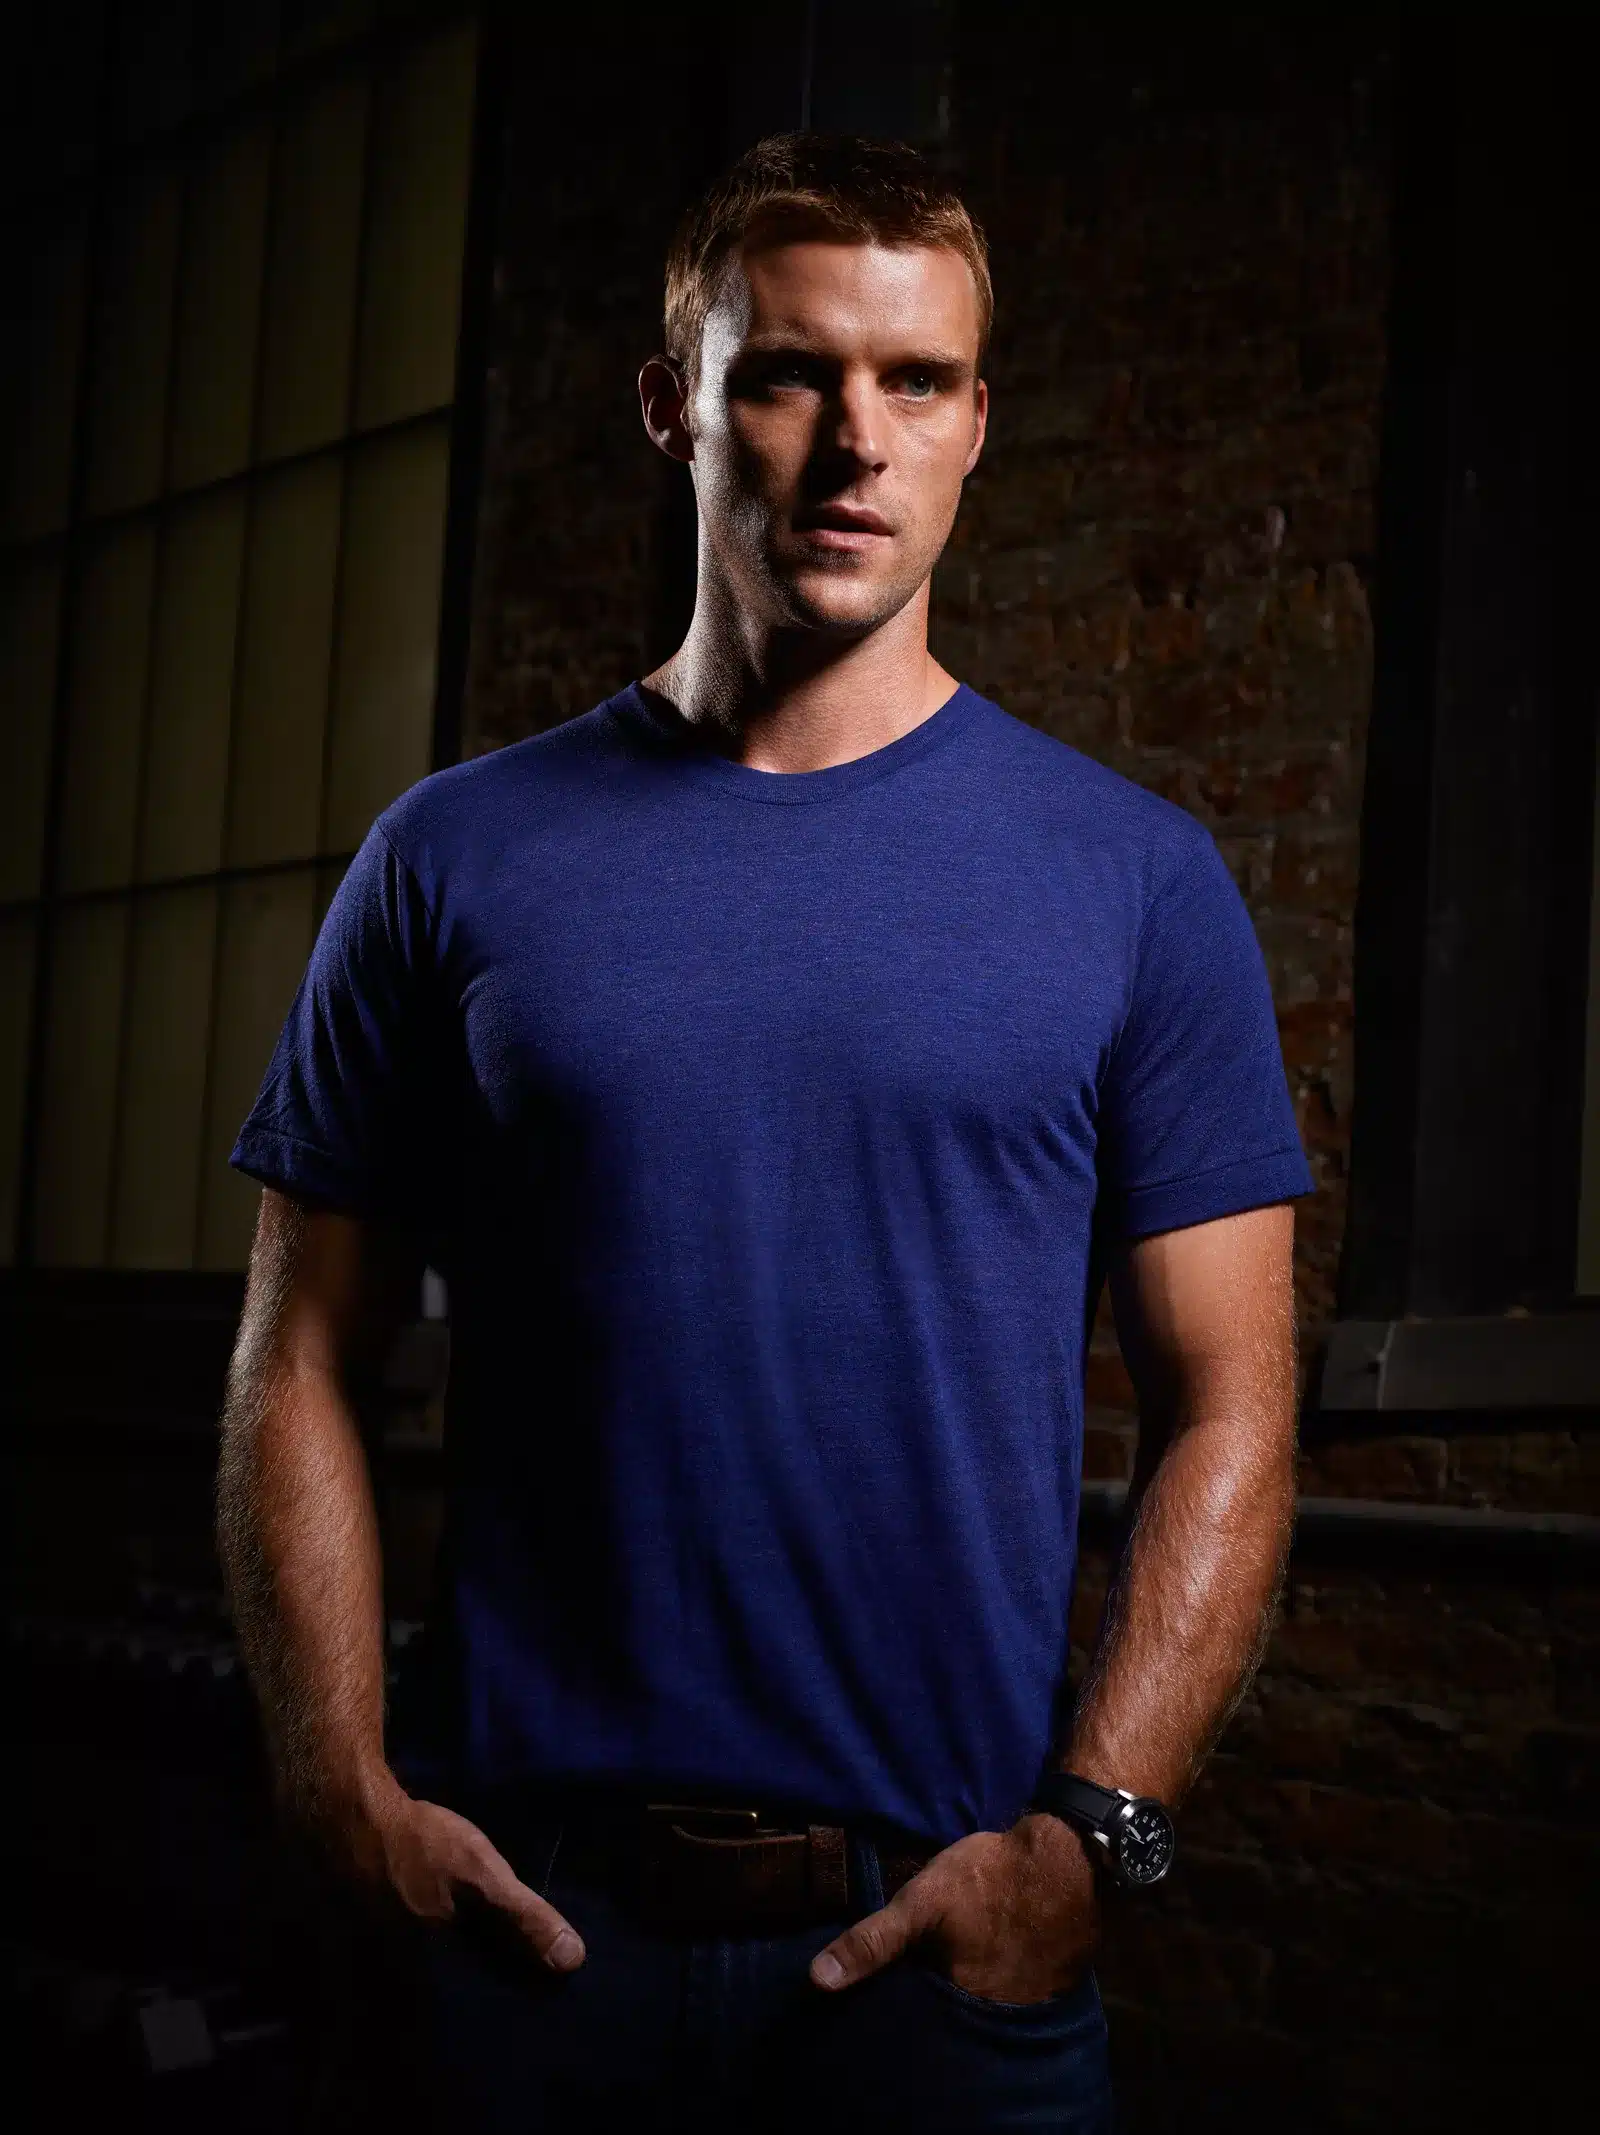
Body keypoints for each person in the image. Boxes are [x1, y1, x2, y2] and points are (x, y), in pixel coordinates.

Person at [217, 132, 1310, 2132]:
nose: (855, 443)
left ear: (976, 425)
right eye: (792, 373)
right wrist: (333, 1784)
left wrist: (1097, 1836)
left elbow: (1231, 1404)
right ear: (675, 405)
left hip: (937, 1963)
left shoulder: (1135, 882)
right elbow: (296, 1352)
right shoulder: (450, 857)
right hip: (523, 1943)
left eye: (916, 381)